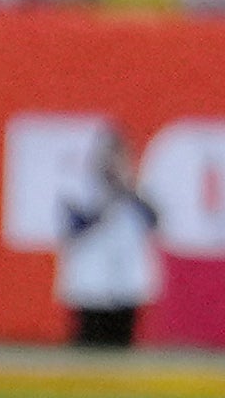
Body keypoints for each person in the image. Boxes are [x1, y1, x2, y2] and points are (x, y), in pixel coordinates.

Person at [55, 126, 160, 348]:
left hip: (126, 284)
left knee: (122, 345)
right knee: (89, 345)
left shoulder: (136, 190)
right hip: (89, 284)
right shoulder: (79, 188)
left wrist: (127, 189)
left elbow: (154, 220)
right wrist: (108, 198)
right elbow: (76, 226)